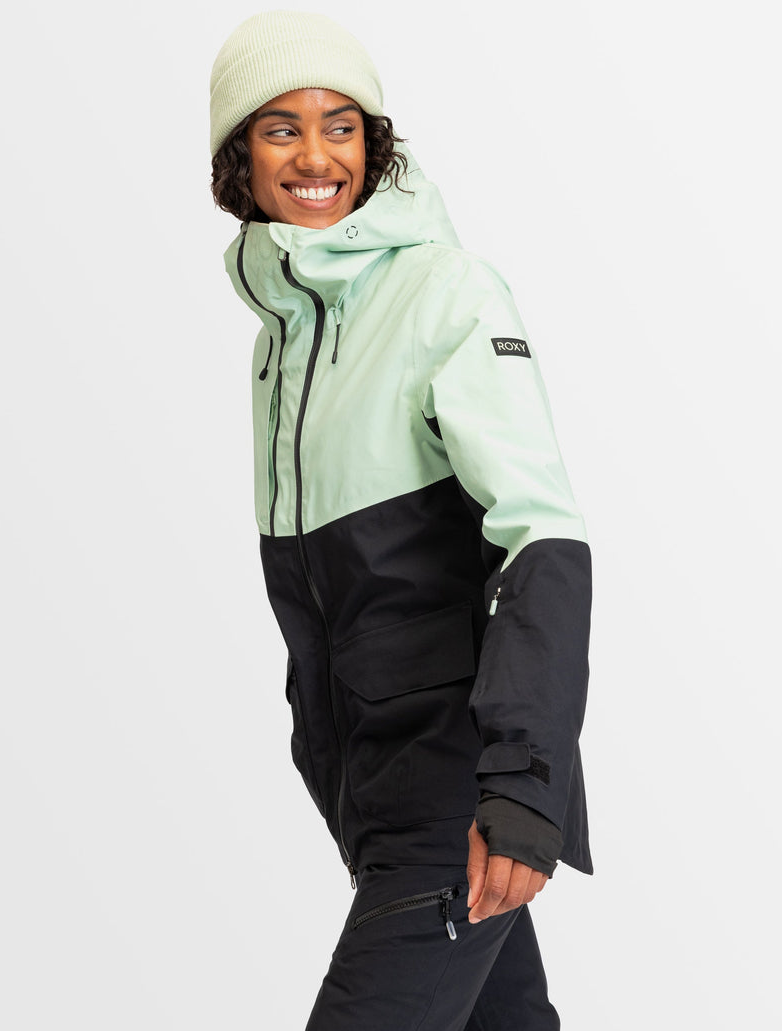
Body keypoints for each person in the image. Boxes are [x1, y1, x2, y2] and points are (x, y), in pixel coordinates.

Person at [209, 11, 592, 1030]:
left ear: (374, 145)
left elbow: (542, 538)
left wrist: (523, 786)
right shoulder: (281, 338)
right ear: (239, 155)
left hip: (456, 789)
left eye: (341, 126)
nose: (316, 156)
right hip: (371, 791)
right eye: (281, 129)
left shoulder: (444, 292)